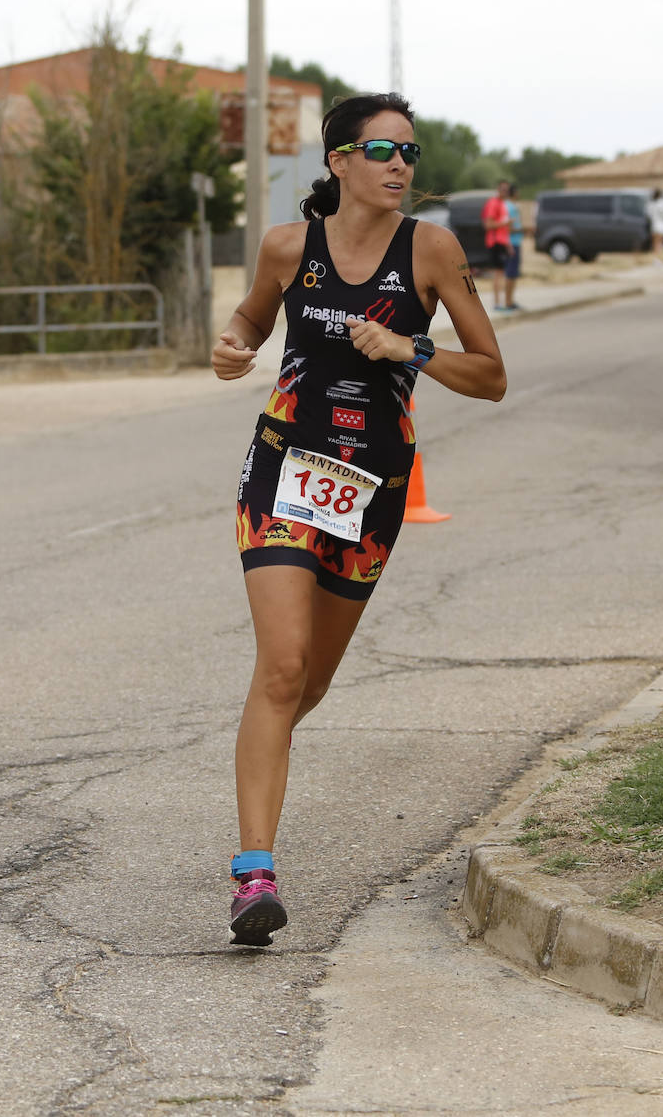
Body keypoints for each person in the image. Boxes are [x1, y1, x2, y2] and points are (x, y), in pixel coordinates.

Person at [211, 93, 506, 946]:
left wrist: (410, 349)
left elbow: (490, 375)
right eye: (382, 149)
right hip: (284, 469)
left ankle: (255, 757)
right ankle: (252, 874)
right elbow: (248, 322)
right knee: (282, 666)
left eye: (410, 153)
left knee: (310, 685)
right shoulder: (285, 247)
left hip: (372, 486)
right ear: (338, 160)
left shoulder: (433, 250)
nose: (400, 166)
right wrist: (232, 348)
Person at [481, 180, 512, 311]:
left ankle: (502, 303)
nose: (505, 192)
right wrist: (505, 223)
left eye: (507, 190)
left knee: (502, 273)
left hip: (502, 242)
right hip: (495, 242)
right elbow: (488, 225)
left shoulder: (502, 204)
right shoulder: (494, 203)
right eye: (503, 189)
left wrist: (508, 244)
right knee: (498, 274)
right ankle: (497, 303)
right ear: (498, 189)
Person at [502, 183, 526, 312]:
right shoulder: (509, 207)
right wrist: (522, 229)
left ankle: (510, 300)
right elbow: (508, 228)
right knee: (510, 273)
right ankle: (508, 301)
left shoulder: (511, 206)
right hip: (512, 243)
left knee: (513, 273)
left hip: (515, 242)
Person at [648, 188, 663, 262]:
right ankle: (658, 259)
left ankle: (655, 258)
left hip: (654, 225)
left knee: (655, 244)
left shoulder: (651, 203)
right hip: (661, 225)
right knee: (659, 244)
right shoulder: (662, 203)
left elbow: (649, 215)